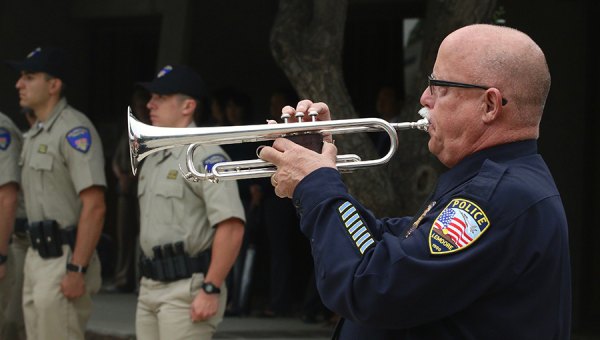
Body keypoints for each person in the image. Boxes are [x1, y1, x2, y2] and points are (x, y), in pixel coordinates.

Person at [259, 24, 571, 339]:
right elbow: (384, 243)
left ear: (489, 106)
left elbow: (371, 288)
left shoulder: (495, 197)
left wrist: (317, 185)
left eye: (439, 86)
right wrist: (314, 170)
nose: (424, 98)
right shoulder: (492, 183)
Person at [135, 64, 245, 339]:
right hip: (150, 285)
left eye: (160, 98)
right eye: (151, 97)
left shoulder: (205, 155)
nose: (150, 104)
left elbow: (231, 225)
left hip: (187, 288)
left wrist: (211, 288)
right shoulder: (152, 155)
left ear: (187, 107)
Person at [7, 46, 106, 340]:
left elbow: (95, 206)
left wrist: (77, 268)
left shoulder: (74, 131)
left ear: (53, 85)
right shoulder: (37, 133)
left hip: (64, 256)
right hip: (36, 256)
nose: (18, 84)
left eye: (29, 77)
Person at [105, 86, 150, 293]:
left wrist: (130, 178)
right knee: (123, 234)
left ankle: (142, 279)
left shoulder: (150, 128)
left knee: (143, 235)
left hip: (141, 186)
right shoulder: (129, 128)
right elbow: (116, 157)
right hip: (124, 187)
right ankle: (122, 277)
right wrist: (120, 175)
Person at [0, 111, 28, 340]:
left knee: (12, 324)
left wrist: (0, 257)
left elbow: (7, 198)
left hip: (17, 238)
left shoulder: (2, 129)